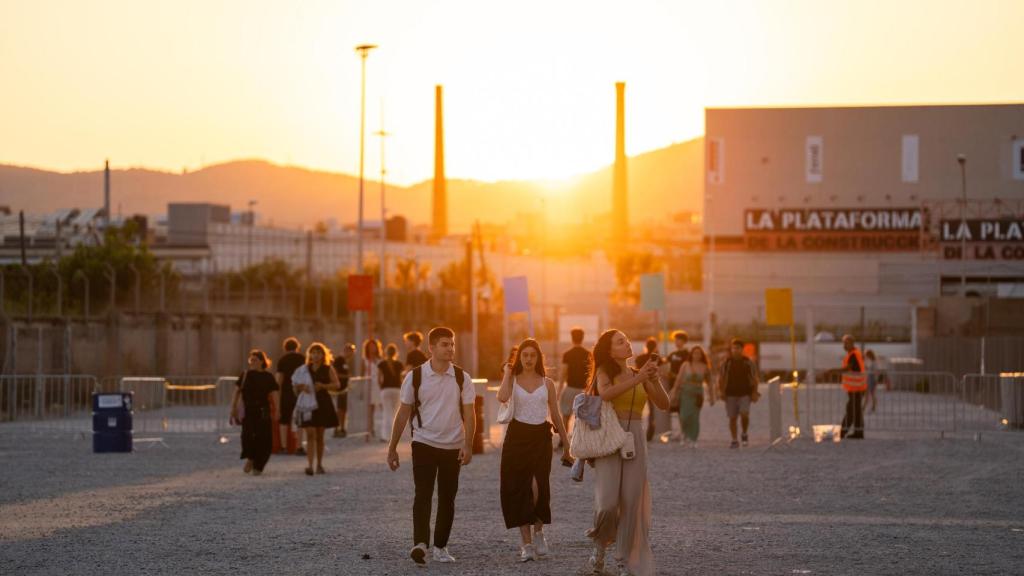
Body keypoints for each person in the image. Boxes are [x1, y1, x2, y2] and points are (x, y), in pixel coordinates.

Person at [386, 327, 476, 566]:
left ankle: (441, 547)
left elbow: (470, 413)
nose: (450, 349)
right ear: (432, 348)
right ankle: (420, 544)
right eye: (445, 344)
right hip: (423, 442)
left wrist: (468, 445)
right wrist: (392, 447)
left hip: (453, 445)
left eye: (452, 344)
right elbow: (403, 412)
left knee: (448, 497)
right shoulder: (415, 377)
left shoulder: (461, 377)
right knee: (423, 494)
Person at [586, 329, 668, 576]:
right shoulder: (604, 373)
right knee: (608, 503)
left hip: (635, 439)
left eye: (627, 340)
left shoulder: (639, 374)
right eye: (620, 342)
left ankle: (623, 561)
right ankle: (600, 548)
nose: (627, 343)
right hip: (609, 437)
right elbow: (606, 393)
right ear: (610, 350)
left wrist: (653, 379)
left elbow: (664, 404)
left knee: (632, 502)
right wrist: (639, 377)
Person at [496, 338, 571, 562]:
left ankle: (539, 533)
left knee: (538, 486)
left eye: (532, 355)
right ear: (519, 357)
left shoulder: (547, 383)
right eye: (524, 355)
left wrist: (567, 446)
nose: (528, 359)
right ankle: (526, 544)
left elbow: (556, 415)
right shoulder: (513, 379)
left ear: (538, 358)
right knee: (518, 489)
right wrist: (508, 374)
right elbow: (501, 397)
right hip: (516, 437)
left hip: (541, 437)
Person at [294, 342, 341, 475]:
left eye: (318, 352)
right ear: (310, 354)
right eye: (313, 352)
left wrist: (323, 386)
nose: (315, 355)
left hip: (322, 403)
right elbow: (295, 383)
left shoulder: (327, 368)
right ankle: (309, 465)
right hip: (308, 404)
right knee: (309, 433)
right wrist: (302, 387)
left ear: (323, 354)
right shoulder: (304, 369)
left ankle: (319, 464)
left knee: (320, 436)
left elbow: (337, 384)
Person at [230, 349, 279, 475]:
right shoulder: (245, 375)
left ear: (262, 361)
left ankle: (259, 466)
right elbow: (236, 392)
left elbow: (274, 395)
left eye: (255, 360)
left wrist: (278, 410)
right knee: (246, 436)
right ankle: (250, 457)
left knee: (264, 439)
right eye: (251, 360)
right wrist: (233, 408)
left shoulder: (268, 377)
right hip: (248, 410)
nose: (252, 362)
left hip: (263, 410)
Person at [718, 338, 759, 449]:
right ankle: (734, 439)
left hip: (745, 393)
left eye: (738, 348)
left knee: (744, 414)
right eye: (734, 348)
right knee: (732, 418)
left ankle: (744, 433)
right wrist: (721, 392)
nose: (735, 350)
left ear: (742, 349)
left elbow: (755, 378)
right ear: (731, 349)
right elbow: (721, 378)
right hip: (730, 394)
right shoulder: (726, 363)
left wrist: (754, 392)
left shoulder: (748, 362)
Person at [670, 345, 713, 447]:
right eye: (695, 353)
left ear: (701, 355)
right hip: (685, 393)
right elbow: (679, 379)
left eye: (698, 353)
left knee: (694, 417)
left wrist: (712, 397)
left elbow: (710, 383)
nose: (696, 355)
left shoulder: (705, 367)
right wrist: (674, 392)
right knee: (684, 416)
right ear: (692, 354)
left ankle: (693, 439)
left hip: (697, 394)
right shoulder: (686, 365)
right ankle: (684, 434)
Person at [559, 327, 591, 446]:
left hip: (570, 388)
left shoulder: (567, 354)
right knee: (582, 419)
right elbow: (590, 374)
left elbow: (563, 374)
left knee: (565, 416)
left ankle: (564, 441)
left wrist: (559, 391)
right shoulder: (588, 354)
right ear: (582, 338)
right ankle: (580, 441)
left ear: (572, 338)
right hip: (584, 390)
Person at [275, 337, 306, 455]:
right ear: (297, 347)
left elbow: (279, 380)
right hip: (300, 393)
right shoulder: (303, 359)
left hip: (287, 393)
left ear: (285, 348)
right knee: (299, 420)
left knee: (284, 420)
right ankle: (299, 447)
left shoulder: (282, 360)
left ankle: (283, 447)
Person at [634, 337, 664, 442]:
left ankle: (638, 433)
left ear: (646, 346)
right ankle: (649, 434)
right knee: (652, 412)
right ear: (655, 347)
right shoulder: (657, 359)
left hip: (640, 386)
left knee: (638, 411)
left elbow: (636, 372)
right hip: (651, 386)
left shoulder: (639, 358)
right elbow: (662, 370)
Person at [840, 334, 866, 439]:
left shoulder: (853, 355)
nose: (844, 345)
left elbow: (847, 368)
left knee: (851, 410)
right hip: (857, 388)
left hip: (857, 389)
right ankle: (858, 433)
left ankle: (842, 432)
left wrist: (832, 371)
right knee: (856, 411)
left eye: (845, 343)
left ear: (851, 343)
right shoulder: (854, 353)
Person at [378, 343, 404, 441]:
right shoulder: (399, 364)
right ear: (395, 353)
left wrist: (381, 388)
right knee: (395, 413)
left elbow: (379, 378)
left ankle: (385, 436)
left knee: (386, 413)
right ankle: (395, 436)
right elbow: (401, 378)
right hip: (397, 389)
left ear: (386, 352)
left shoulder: (382, 364)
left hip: (385, 389)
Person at [332, 343, 355, 438]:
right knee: (340, 410)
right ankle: (337, 428)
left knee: (343, 409)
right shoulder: (339, 360)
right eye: (350, 352)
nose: (351, 354)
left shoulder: (345, 361)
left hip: (344, 389)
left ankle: (342, 427)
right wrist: (347, 377)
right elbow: (335, 374)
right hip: (340, 389)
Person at [363, 339, 383, 443]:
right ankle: (370, 430)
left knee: (383, 407)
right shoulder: (365, 360)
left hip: (379, 385)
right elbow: (362, 373)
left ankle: (386, 430)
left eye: (374, 346)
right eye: (370, 346)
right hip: (369, 384)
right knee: (370, 410)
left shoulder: (380, 359)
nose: (372, 348)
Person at [863, 349, 879, 414]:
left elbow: (875, 372)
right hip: (871, 379)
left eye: (867, 355)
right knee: (872, 394)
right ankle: (873, 407)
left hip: (871, 379)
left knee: (869, 394)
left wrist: (875, 380)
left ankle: (864, 407)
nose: (866, 356)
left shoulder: (873, 362)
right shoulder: (872, 362)